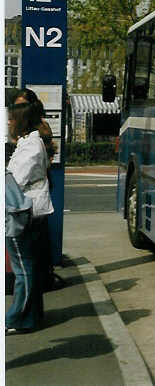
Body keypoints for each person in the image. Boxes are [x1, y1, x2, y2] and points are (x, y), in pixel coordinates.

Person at [6, 97, 54, 334]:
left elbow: (15, 179)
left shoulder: (31, 146)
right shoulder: (30, 142)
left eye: (11, 119)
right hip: (29, 209)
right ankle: (31, 316)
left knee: (23, 268)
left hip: (22, 211)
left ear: (21, 121)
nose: (8, 123)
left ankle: (18, 318)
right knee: (28, 265)